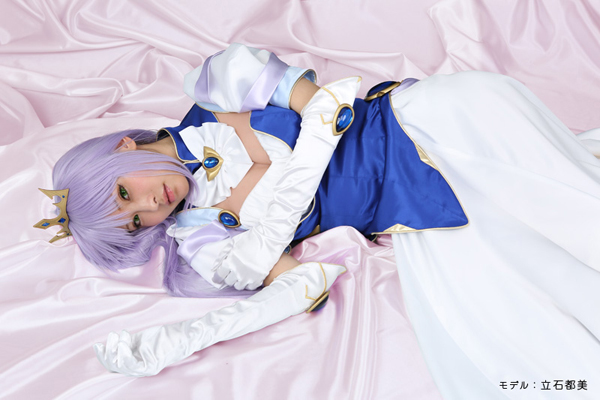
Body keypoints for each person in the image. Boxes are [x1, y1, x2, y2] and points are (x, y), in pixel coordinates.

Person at [37, 44, 600, 396]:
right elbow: (300, 286)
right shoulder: (200, 239)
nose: (149, 207)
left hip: (432, 121)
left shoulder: (217, 87)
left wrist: (275, 207)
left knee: (574, 211)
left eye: (124, 192)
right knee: (503, 339)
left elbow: (325, 108)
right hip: (418, 216)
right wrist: (179, 339)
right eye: (135, 224)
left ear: (124, 148)